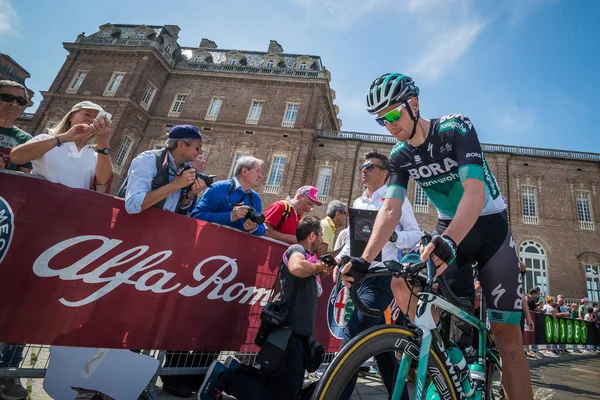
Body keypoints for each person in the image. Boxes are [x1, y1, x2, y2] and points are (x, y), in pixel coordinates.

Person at [342, 73, 533, 399]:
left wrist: (451, 241)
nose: (388, 124)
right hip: (450, 226)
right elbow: (390, 211)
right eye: (380, 119)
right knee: (401, 282)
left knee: (509, 342)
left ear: (413, 104)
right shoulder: (400, 155)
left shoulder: (455, 128)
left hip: (489, 227)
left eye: (392, 114)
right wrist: (364, 260)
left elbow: (474, 193)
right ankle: (451, 360)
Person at [198, 216, 331, 400]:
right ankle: (224, 378)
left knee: (279, 388)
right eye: (321, 235)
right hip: (289, 335)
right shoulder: (297, 250)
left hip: (298, 336)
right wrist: (317, 267)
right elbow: (295, 267)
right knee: (281, 395)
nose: (322, 240)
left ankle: (235, 371)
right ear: (312, 236)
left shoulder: (311, 260)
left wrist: (320, 271)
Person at [334, 150, 421, 399]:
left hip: (381, 278)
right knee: (383, 350)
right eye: (362, 165)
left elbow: (415, 235)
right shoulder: (360, 202)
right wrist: (341, 260)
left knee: (354, 337)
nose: (363, 169)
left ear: (384, 173)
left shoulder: (396, 200)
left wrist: (394, 236)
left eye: (369, 166)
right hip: (359, 279)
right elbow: (353, 242)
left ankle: (334, 393)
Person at [10, 101, 113, 189]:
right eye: (87, 114)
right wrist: (65, 137)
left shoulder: (96, 155)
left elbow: (103, 180)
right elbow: (16, 157)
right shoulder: (46, 139)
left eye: (96, 118)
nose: (91, 120)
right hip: (38, 204)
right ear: (71, 117)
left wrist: (103, 142)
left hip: (69, 209)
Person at [119, 125, 205, 215]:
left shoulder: (185, 168)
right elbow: (132, 205)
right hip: (132, 226)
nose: (200, 152)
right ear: (181, 145)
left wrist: (189, 196)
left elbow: (170, 207)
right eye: (198, 147)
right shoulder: (149, 159)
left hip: (158, 228)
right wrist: (175, 185)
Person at [191, 156, 265, 236]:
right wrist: (230, 216)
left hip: (236, 246)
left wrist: (254, 228)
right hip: (211, 242)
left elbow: (262, 229)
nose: (261, 176)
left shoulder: (255, 198)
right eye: (258, 171)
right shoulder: (219, 188)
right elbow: (197, 215)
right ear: (244, 171)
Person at [0, 80, 32, 173]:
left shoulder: (27, 140)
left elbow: (22, 179)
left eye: (20, 101)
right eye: (7, 97)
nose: (14, 104)